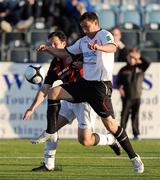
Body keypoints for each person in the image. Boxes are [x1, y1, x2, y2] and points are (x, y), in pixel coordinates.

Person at [30, 12, 144, 173]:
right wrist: (48, 49)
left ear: (96, 23)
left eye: (87, 26)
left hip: (100, 87)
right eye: (82, 27)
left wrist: (98, 47)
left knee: (110, 125)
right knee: (54, 93)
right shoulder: (83, 41)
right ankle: (50, 133)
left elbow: (113, 47)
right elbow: (66, 53)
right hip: (84, 85)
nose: (85, 30)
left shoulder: (104, 35)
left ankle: (134, 157)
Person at [23, 31, 120, 171]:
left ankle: (110, 139)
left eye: (55, 43)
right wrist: (32, 108)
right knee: (52, 129)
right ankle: (48, 165)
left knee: (85, 141)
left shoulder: (79, 53)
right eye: (50, 44)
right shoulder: (55, 65)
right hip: (68, 101)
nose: (52, 46)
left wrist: (83, 64)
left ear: (64, 44)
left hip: (85, 100)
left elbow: (99, 63)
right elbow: (45, 89)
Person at [116, 48, 150, 140]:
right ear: (127, 57)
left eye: (133, 57)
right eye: (130, 57)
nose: (131, 59)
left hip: (137, 96)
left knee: (135, 116)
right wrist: (120, 88)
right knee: (124, 116)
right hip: (127, 97)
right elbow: (117, 82)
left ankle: (136, 134)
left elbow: (148, 62)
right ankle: (121, 134)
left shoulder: (140, 67)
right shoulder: (123, 69)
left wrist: (139, 56)